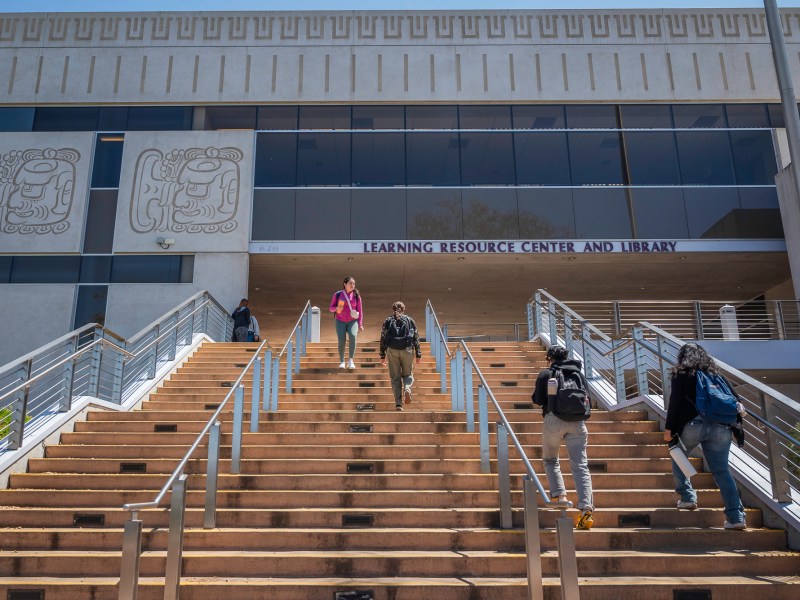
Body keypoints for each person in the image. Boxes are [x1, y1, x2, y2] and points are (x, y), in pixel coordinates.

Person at [664, 342, 746, 529]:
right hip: (721, 428)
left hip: (693, 425)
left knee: (678, 458)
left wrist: (669, 428)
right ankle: (736, 518)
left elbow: (675, 402)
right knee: (722, 471)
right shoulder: (716, 375)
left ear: (682, 356)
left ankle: (688, 497)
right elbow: (737, 400)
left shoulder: (682, 374)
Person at [532, 344, 595, 530]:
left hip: (553, 420)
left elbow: (537, 399)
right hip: (578, 423)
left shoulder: (546, 373)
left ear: (549, 358)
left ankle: (561, 496)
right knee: (581, 466)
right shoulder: (578, 374)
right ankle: (586, 508)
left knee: (551, 460)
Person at [379, 301, 421, 411]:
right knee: (407, 374)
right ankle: (407, 389)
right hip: (407, 349)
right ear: (404, 309)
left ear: (392, 309)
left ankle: (398, 404)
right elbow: (416, 336)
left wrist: (382, 354)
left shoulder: (387, 320)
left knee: (395, 377)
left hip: (392, 350)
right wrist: (418, 353)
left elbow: (383, 337)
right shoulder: (410, 320)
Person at [329, 276, 363, 369]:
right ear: (345, 284)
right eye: (350, 283)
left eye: (354, 283)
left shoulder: (356, 296)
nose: (352, 285)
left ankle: (351, 360)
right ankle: (342, 361)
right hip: (340, 320)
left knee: (353, 336)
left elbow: (360, 310)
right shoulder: (338, 294)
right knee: (341, 341)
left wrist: (360, 324)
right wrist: (336, 308)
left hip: (352, 321)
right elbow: (331, 308)